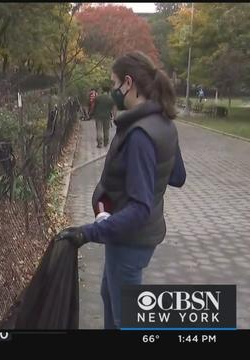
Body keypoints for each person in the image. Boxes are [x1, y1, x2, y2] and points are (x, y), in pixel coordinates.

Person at [54, 51, 187, 329]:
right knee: (109, 296)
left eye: (114, 83)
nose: (113, 90)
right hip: (140, 236)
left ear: (128, 83)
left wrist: (87, 233)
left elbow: (140, 208)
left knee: (125, 319)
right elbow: (176, 176)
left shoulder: (139, 133)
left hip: (130, 239)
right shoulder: (164, 122)